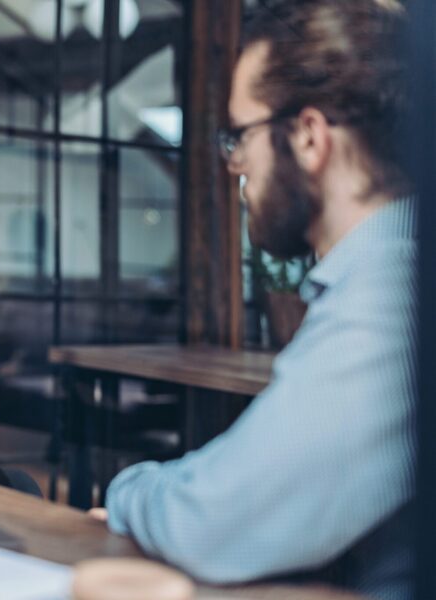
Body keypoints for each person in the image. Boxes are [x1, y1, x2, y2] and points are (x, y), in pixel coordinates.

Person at [99, 1, 415, 598]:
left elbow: (214, 521)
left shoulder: (393, 294)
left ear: (309, 137)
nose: (233, 164)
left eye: (240, 135)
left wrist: (126, 492)